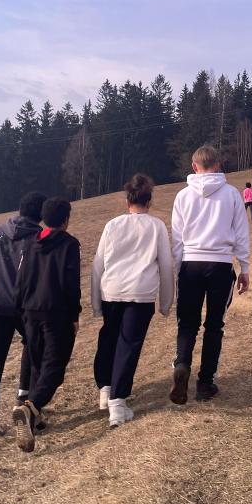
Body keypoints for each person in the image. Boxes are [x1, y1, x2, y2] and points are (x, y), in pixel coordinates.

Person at [90, 174, 174, 428]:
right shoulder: (156, 226)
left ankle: (105, 388)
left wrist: (96, 303)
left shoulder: (112, 225)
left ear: (127, 200)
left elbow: (98, 265)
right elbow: (166, 266)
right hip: (141, 294)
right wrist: (166, 302)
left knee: (109, 338)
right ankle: (117, 402)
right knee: (128, 345)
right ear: (149, 201)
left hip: (111, 291)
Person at [170, 145, 250, 405]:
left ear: (194, 167)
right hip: (220, 265)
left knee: (187, 323)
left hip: (191, 264)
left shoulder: (183, 196)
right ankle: (205, 383)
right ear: (218, 164)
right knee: (214, 325)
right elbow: (241, 233)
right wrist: (245, 268)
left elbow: (177, 238)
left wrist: (178, 269)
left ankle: (182, 364)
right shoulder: (232, 194)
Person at [0, 191, 46, 441]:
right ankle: (25, 400)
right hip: (27, 307)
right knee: (34, 349)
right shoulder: (39, 238)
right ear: (41, 215)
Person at [12, 197, 81, 453]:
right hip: (57, 314)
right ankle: (30, 407)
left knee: (37, 364)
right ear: (65, 220)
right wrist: (74, 315)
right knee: (54, 368)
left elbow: (21, 279)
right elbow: (71, 283)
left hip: (30, 312)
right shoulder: (69, 244)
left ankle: (34, 417)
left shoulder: (31, 243)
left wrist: (21, 310)